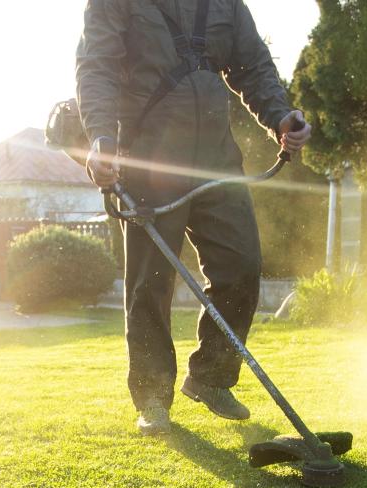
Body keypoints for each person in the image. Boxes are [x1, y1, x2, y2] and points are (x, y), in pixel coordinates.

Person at [76, 0, 311, 436]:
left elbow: (253, 65)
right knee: (150, 283)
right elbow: (97, 68)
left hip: (216, 161)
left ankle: (210, 377)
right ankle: (151, 397)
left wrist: (280, 116)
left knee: (242, 267)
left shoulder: (225, 3)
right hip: (150, 160)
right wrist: (101, 138)